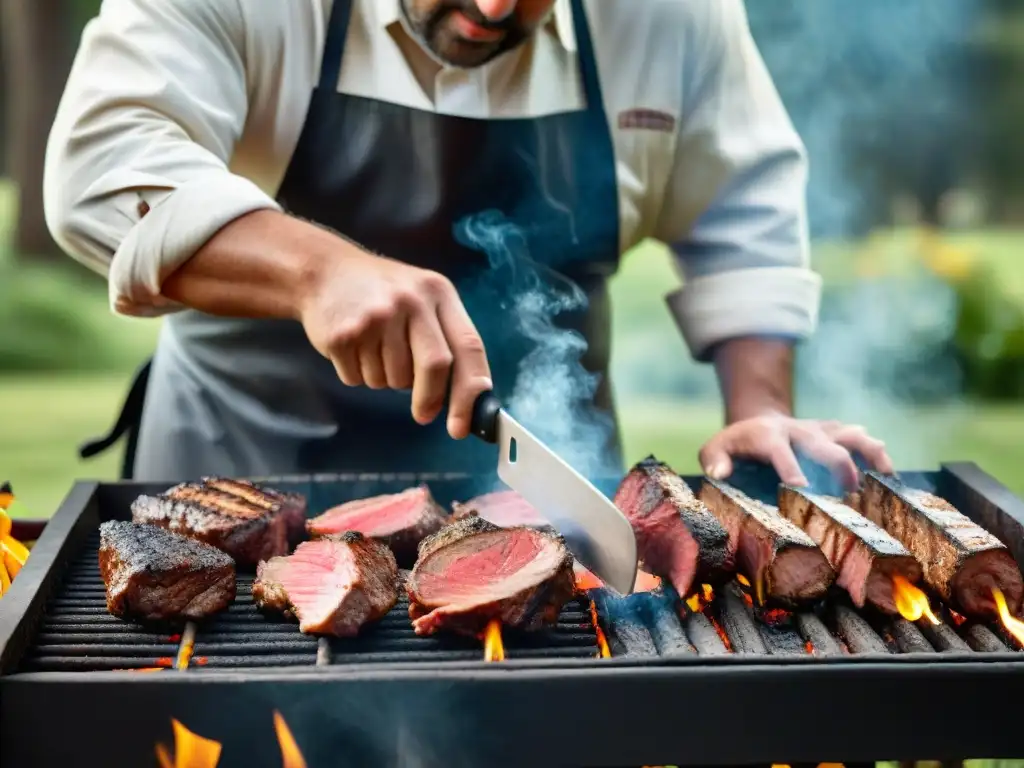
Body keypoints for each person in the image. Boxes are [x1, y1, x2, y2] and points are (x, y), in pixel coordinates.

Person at [44, 0, 893, 488]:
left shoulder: (669, 14)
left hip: (544, 503)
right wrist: (318, 270)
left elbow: (744, 218)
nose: (492, 7)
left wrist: (759, 409)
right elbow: (99, 164)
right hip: (240, 477)